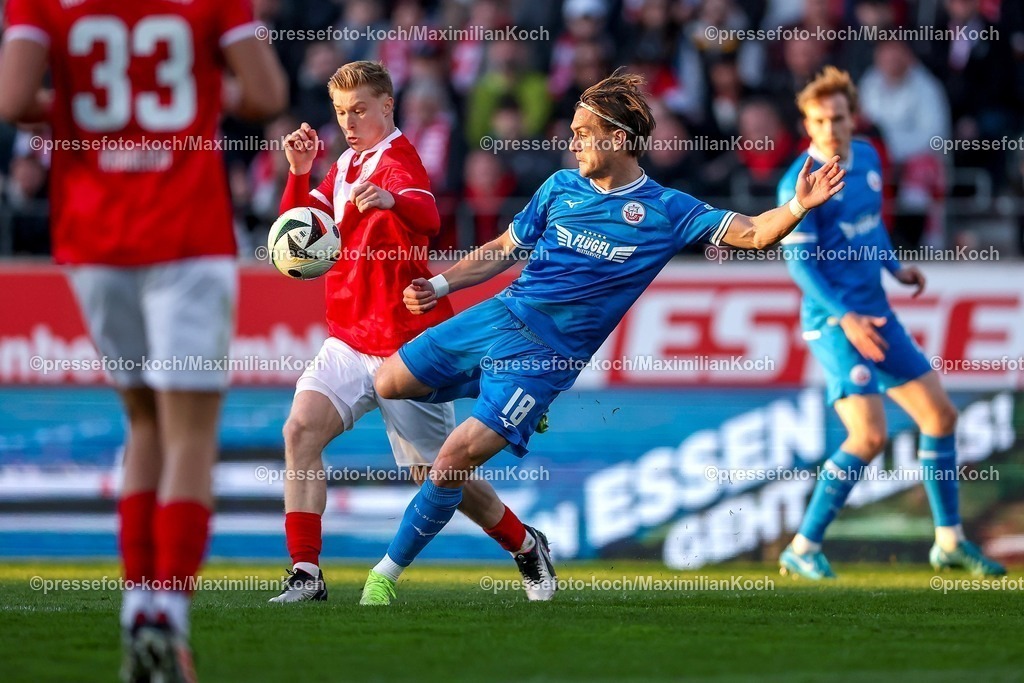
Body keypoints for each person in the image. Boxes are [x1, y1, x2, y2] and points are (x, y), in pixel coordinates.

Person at [360, 70, 846, 604]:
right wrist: (438, 282)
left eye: (581, 132)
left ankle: (383, 578)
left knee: (450, 461)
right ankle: (502, 413)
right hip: (500, 314)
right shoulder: (560, 186)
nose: (572, 142)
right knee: (388, 382)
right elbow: (504, 248)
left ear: (616, 139)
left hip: (544, 358)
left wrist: (799, 205)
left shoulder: (665, 210)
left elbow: (752, 232)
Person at [0, 1, 287, 681]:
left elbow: (13, 98)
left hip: (95, 234)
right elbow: (269, 95)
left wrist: (85, 114)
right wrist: (198, 96)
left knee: (142, 420)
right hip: (187, 233)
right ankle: (168, 614)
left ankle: (135, 604)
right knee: (190, 432)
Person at [267, 60, 552, 607]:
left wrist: (392, 200)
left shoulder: (398, 159)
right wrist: (299, 173)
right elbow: (295, 240)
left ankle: (524, 543)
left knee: (439, 473)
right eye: (341, 113)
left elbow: (427, 215)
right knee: (300, 430)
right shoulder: (345, 163)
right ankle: (306, 572)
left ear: (387, 107)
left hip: (406, 347)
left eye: (359, 110)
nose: (349, 123)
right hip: (349, 339)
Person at [775, 66, 1006, 580]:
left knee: (941, 417)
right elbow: (800, 265)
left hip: (876, 314)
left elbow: (870, 224)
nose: (830, 128)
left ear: (854, 117)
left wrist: (894, 265)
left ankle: (949, 543)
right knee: (868, 435)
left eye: (838, 117)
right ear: (807, 123)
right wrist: (845, 316)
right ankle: (803, 548)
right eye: (819, 119)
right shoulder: (800, 182)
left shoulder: (871, 160)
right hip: (834, 323)